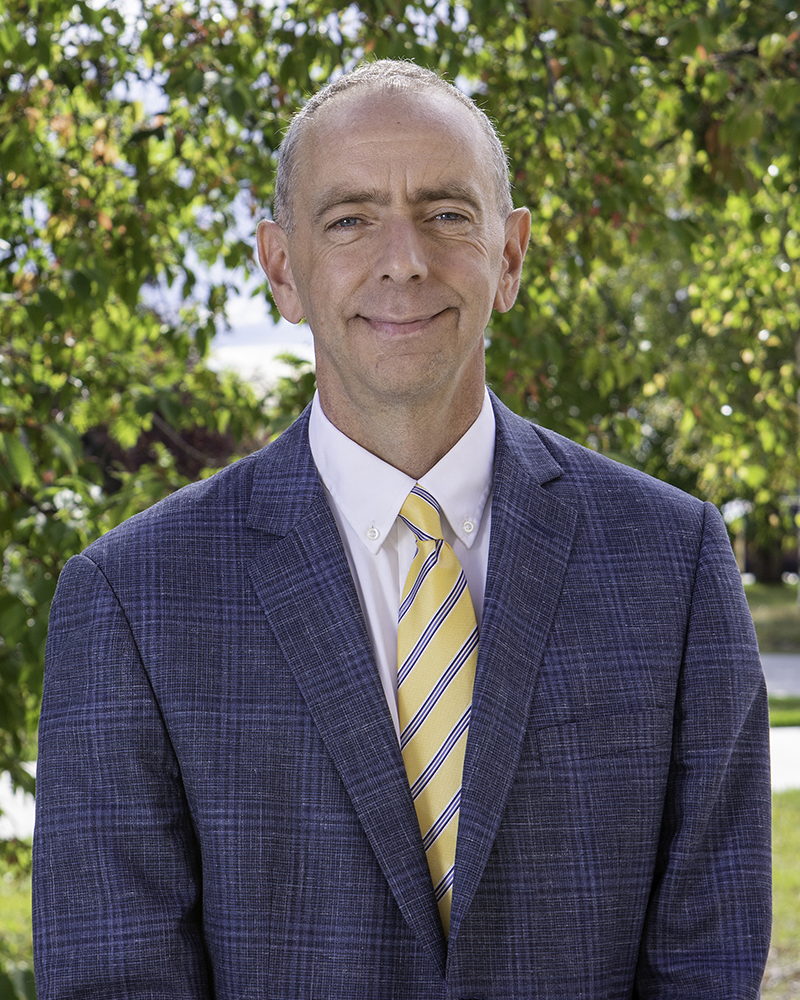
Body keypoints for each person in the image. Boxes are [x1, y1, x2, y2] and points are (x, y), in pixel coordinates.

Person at [33, 59, 771, 999]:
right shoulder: (132, 599)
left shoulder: (674, 563)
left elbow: (706, 961)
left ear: (509, 256)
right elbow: (113, 977)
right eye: (349, 219)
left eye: (447, 213)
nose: (405, 258)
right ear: (281, 268)